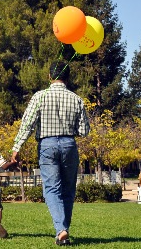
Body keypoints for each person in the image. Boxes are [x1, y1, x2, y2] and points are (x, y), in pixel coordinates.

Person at [11, 61, 90, 246]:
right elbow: (85, 130)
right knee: (68, 190)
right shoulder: (76, 99)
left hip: (46, 144)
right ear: (67, 78)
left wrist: (16, 147)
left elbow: (27, 124)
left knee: (52, 189)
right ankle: (64, 231)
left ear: (49, 76)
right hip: (69, 144)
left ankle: (61, 229)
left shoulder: (40, 96)